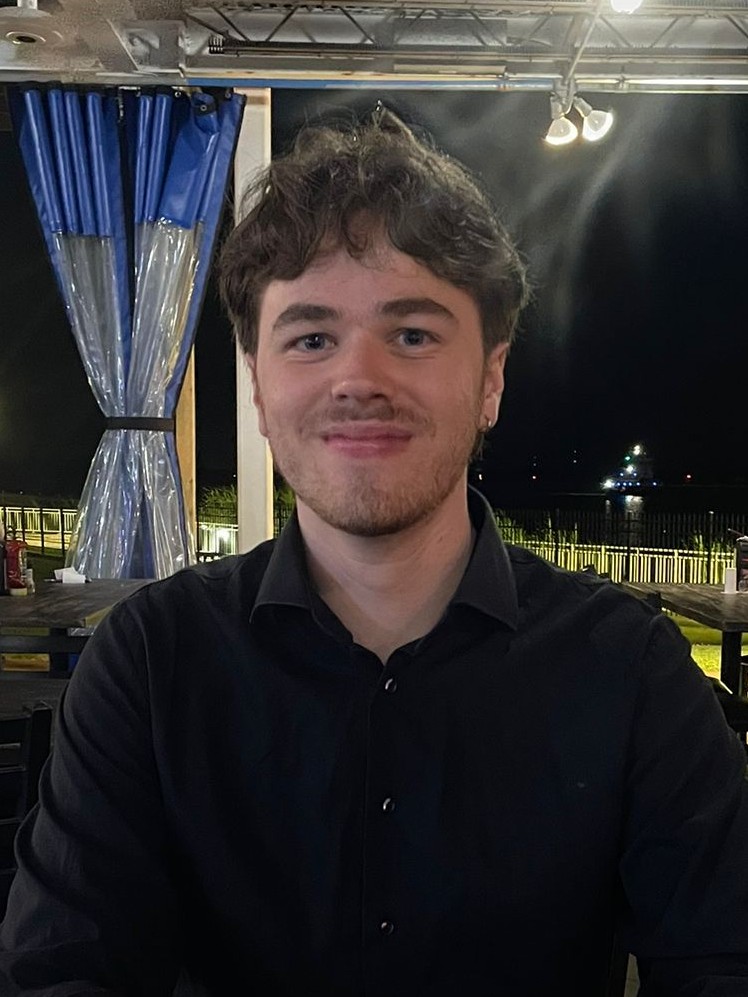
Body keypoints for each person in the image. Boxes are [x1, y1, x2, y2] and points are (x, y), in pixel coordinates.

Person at [2, 108, 748, 997]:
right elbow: (60, 973)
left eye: (414, 333)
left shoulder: (631, 673)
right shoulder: (149, 663)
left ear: (493, 379)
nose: (359, 376)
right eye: (311, 337)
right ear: (258, 384)